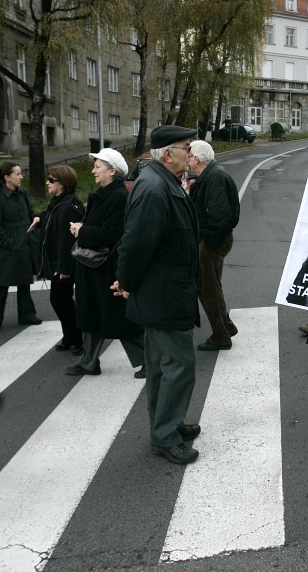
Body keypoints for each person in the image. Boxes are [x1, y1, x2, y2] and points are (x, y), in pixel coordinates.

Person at [113, 125, 201, 465]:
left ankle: (169, 424)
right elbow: (136, 243)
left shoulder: (162, 182)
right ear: (167, 154)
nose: (190, 154)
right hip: (161, 294)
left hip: (165, 291)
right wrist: (126, 281)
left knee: (162, 366)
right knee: (178, 365)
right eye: (185, 147)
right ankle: (165, 436)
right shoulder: (154, 188)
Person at [67, 149, 145, 378]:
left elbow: (110, 233)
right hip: (96, 267)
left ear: (112, 170)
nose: (93, 170)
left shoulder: (118, 197)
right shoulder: (107, 193)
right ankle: (89, 361)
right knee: (94, 315)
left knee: (117, 320)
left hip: (106, 268)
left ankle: (150, 360)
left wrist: (82, 230)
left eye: (98, 166)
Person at [188, 140, 240, 351]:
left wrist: (206, 242)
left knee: (209, 289)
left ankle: (221, 336)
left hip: (213, 242)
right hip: (212, 240)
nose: (188, 159)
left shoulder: (215, 177)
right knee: (207, 286)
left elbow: (221, 217)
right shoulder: (209, 176)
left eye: (189, 155)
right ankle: (226, 326)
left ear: (197, 159)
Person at [0, 162, 41, 332]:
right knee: (2, 285)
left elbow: (31, 214)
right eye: (17, 174)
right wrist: (10, 243)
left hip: (24, 242)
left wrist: (36, 220)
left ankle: (27, 315)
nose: (21, 176)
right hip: (7, 247)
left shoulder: (22, 193)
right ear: (7, 178)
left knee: (24, 282)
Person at [34, 164, 84, 353]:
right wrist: (40, 217)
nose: (47, 183)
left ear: (62, 184)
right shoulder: (59, 203)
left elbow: (66, 240)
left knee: (62, 301)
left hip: (65, 265)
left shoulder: (67, 207)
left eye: (51, 180)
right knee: (61, 300)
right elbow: (50, 216)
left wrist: (63, 268)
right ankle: (70, 336)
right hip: (60, 263)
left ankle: (77, 339)